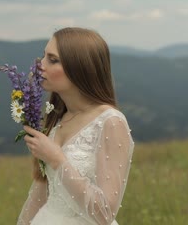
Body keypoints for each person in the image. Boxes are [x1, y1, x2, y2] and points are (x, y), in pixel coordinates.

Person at [17, 27, 135, 225]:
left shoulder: (110, 122)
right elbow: (41, 192)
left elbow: (105, 213)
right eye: (43, 56)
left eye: (52, 60)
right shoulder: (57, 117)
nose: (40, 66)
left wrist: (56, 159)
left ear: (79, 67)